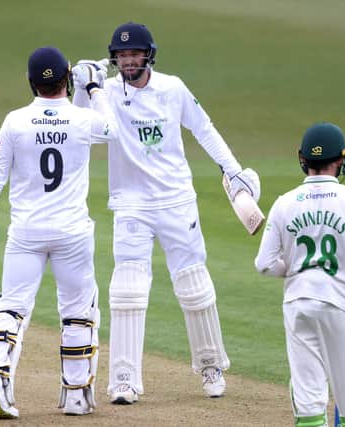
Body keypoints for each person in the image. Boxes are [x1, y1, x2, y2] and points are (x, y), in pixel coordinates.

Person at [73, 22, 261, 403]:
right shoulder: (106, 92)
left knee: (194, 286)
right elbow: (84, 130)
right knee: (128, 290)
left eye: (133, 54)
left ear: (148, 55)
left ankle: (210, 366)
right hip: (130, 204)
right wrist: (81, 87)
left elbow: (203, 129)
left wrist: (233, 170)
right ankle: (124, 380)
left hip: (177, 201)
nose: (127, 61)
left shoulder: (172, 88)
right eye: (121, 55)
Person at [0, 46, 116, 418]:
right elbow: (112, 129)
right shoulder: (80, 118)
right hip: (72, 233)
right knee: (78, 310)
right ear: (66, 80)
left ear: (31, 82)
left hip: (26, 232)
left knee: (11, 306)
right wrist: (94, 88)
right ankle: (76, 395)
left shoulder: (15, 121)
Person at [255, 122, 345, 427]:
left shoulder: (283, 203)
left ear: (302, 159)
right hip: (342, 305)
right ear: (340, 160)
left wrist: (295, 268)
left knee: (309, 402)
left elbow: (264, 263)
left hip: (298, 303)